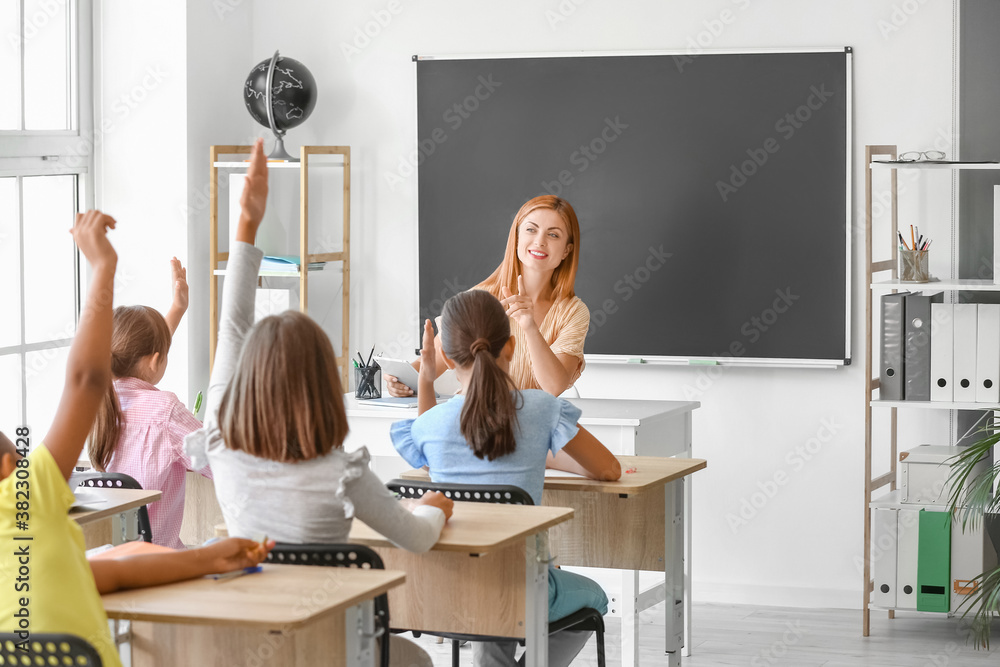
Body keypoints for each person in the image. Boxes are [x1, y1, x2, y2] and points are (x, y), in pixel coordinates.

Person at [184, 139, 452, 667]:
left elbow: (232, 324)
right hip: (334, 644)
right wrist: (435, 507)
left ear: (248, 380)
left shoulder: (218, 437)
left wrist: (247, 221)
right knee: (418, 661)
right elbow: (416, 539)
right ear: (322, 386)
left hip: (253, 638)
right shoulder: (340, 471)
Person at [0, 211, 273, 667]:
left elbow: (112, 572)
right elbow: (93, 378)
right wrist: (102, 267)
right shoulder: (26, 500)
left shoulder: (107, 409)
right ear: (11, 472)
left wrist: (176, 311)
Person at [389, 289, 621, 667]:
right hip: (523, 588)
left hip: (444, 588)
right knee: (594, 596)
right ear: (511, 347)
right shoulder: (543, 408)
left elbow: (432, 459)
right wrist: (542, 453)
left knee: (493, 610)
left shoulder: (428, 425)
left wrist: (427, 381)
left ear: (447, 356)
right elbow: (608, 469)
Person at [387, 195, 589, 397]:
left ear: (566, 251)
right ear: (517, 237)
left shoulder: (573, 313)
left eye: (553, 235)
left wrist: (530, 327)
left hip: (532, 423)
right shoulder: (478, 299)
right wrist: (399, 382)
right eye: (531, 229)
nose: (539, 241)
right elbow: (429, 366)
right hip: (474, 421)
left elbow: (554, 387)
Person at [88, 259, 210, 549]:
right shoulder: (165, 411)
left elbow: (136, 355)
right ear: (157, 359)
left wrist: (177, 308)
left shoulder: (94, 400)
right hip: (160, 563)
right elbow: (221, 461)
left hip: (115, 558)